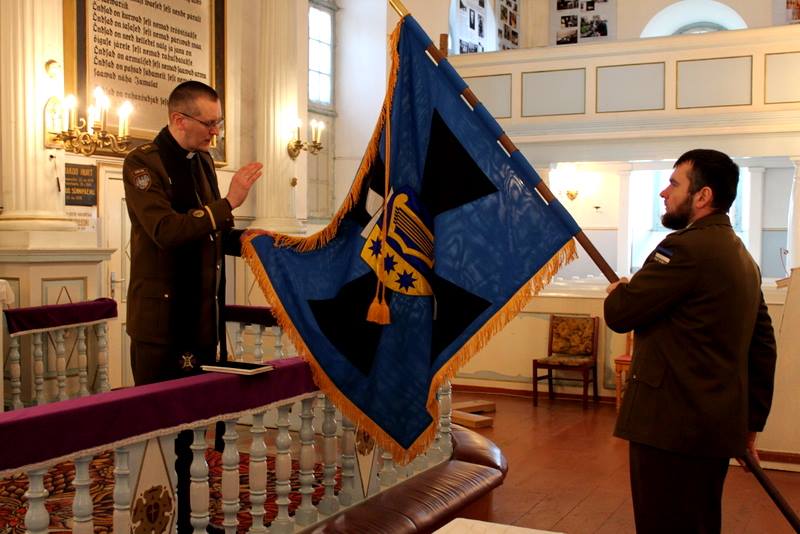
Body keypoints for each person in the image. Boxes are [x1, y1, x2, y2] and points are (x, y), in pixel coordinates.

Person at [604, 149, 777, 534]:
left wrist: (620, 291)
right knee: (698, 523)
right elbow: (763, 347)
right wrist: (750, 426)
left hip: (669, 427)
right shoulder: (743, 258)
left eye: (674, 184)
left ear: (703, 196)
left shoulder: (683, 249)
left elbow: (619, 315)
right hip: (715, 428)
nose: (664, 193)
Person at [123, 80, 263, 533]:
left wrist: (263, 245)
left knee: (193, 430)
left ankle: (188, 519)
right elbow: (165, 230)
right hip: (162, 325)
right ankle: (158, 521)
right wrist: (230, 203)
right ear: (179, 119)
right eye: (210, 123)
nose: (215, 133)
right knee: (162, 432)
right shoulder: (143, 164)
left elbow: (212, 234)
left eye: (219, 123)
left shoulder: (202, 161)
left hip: (201, 318)